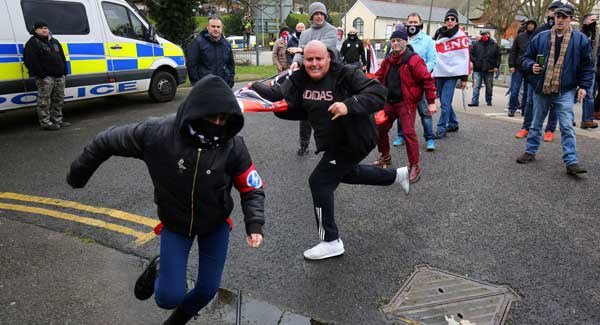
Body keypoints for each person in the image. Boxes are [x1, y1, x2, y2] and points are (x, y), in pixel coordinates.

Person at [66, 75, 265, 324]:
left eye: (223, 119)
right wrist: (79, 173)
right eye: (210, 117)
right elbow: (106, 140)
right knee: (168, 297)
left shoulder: (233, 145)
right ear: (195, 111)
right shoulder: (157, 134)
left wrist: (254, 223)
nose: (216, 124)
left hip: (215, 224)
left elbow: (251, 186)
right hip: (176, 223)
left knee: (206, 290)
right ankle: (158, 267)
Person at [250, 40, 410, 260]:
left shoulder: (346, 74)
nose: (314, 64)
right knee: (347, 173)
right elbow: (295, 106)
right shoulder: (299, 79)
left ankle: (331, 241)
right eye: (309, 59)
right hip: (334, 141)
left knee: (320, 181)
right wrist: (271, 103)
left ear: (328, 58)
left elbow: (378, 93)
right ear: (303, 60)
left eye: (318, 59)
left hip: (356, 138)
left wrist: (348, 105)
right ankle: (397, 176)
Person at [516, 4, 593, 175]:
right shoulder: (541, 37)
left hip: (565, 90)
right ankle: (530, 151)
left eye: (564, 17)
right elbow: (526, 58)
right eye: (558, 16)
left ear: (571, 19)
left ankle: (571, 161)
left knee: (566, 126)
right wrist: (531, 66)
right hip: (541, 88)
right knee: (536, 123)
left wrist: (584, 86)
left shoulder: (581, 40)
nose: (560, 19)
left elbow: (588, 66)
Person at [372, 25, 437, 183]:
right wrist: (364, 82)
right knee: (380, 127)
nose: (395, 43)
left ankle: (414, 166)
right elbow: (378, 76)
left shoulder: (414, 60)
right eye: (393, 40)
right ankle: (385, 157)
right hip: (390, 102)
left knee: (408, 133)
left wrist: (431, 102)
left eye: (399, 40)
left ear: (405, 42)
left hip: (406, 103)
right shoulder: (389, 60)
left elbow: (427, 80)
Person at [288, 2, 339, 156]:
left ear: (325, 15)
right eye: (316, 14)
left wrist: (302, 50)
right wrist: (296, 61)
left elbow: (325, 46)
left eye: (321, 14)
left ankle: (331, 145)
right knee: (305, 111)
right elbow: (300, 51)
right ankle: (304, 144)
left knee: (328, 110)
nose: (319, 16)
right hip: (309, 76)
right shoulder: (305, 33)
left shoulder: (331, 30)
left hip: (328, 77)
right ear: (311, 16)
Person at [515, 1, 562, 141]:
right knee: (530, 102)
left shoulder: (568, 34)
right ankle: (526, 127)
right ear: (548, 12)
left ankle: (550, 130)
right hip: (536, 75)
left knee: (554, 105)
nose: (554, 13)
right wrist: (531, 65)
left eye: (557, 11)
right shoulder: (539, 30)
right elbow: (528, 54)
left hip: (556, 75)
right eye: (552, 10)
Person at [394, 13, 438, 151]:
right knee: (402, 111)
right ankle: (401, 136)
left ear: (420, 23)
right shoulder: (401, 39)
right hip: (403, 83)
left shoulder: (428, 40)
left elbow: (432, 60)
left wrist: (422, 73)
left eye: (415, 22)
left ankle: (430, 138)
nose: (412, 25)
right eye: (410, 22)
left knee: (425, 112)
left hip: (420, 83)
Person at [23, 21, 70, 131]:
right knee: (44, 101)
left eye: (45, 28)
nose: (44, 30)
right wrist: (42, 74)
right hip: (46, 78)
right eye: (40, 28)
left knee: (59, 99)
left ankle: (57, 120)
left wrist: (64, 71)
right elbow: (30, 61)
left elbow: (62, 57)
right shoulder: (33, 42)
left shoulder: (54, 41)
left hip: (59, 76)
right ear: (35, 30)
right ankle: (45, 122)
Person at [432, 9, 469, 139]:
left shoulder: (461, 36)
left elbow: (465, 57)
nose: (449, 21)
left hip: (452, 74)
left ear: (456, 21)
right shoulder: (440, 33)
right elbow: (433, 49)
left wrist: (464, 78)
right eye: (447, 19)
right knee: (443, 100)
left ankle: (441, 129)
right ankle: (453, 123)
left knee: (445, 103)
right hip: (440, 72)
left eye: (452, 19)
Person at [186, 15, 234, 87]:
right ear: (208, 27)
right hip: (204, 87)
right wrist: (197, 84)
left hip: (223, 86)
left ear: (222, 28)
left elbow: (231, 65)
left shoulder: (226, 44)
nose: (216, 29)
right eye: (213, 26)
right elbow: (191, 65)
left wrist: (230, 81)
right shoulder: (198, 42)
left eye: (218, 27)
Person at [508, 18, 537, 117]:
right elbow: (513, 51)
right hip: (518, 66)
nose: (530, 26)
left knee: (526, 91)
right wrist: (511, 65)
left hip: (529, 67)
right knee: (515, 90)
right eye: (529, 24)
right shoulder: (520, 37)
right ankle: (511, 108)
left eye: (532, 24)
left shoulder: (536, 37)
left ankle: (524, 109)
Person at [468, 31, 500, 107]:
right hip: (478, 68)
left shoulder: (494, 45)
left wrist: (496, 66)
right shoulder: (476, 44)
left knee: (489, 86)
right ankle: (474, 101)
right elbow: (471, 53)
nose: (484, 36)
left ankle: (489, 100)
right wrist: (475, 61)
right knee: (476, 85)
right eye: (483, 34)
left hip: (489, 69)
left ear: (489, 35)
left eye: (486, 34)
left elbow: (498, 56)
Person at [579, 13, 600, 129]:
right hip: (576, 67)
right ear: (585, 21)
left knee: (590, 95)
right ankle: (568, 118)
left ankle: (587, 120)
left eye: (596, 20)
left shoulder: (597, 35)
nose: (595, 22)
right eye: (592, 20)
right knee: (571, 94)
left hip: (591, 68)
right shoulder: (578, 33)